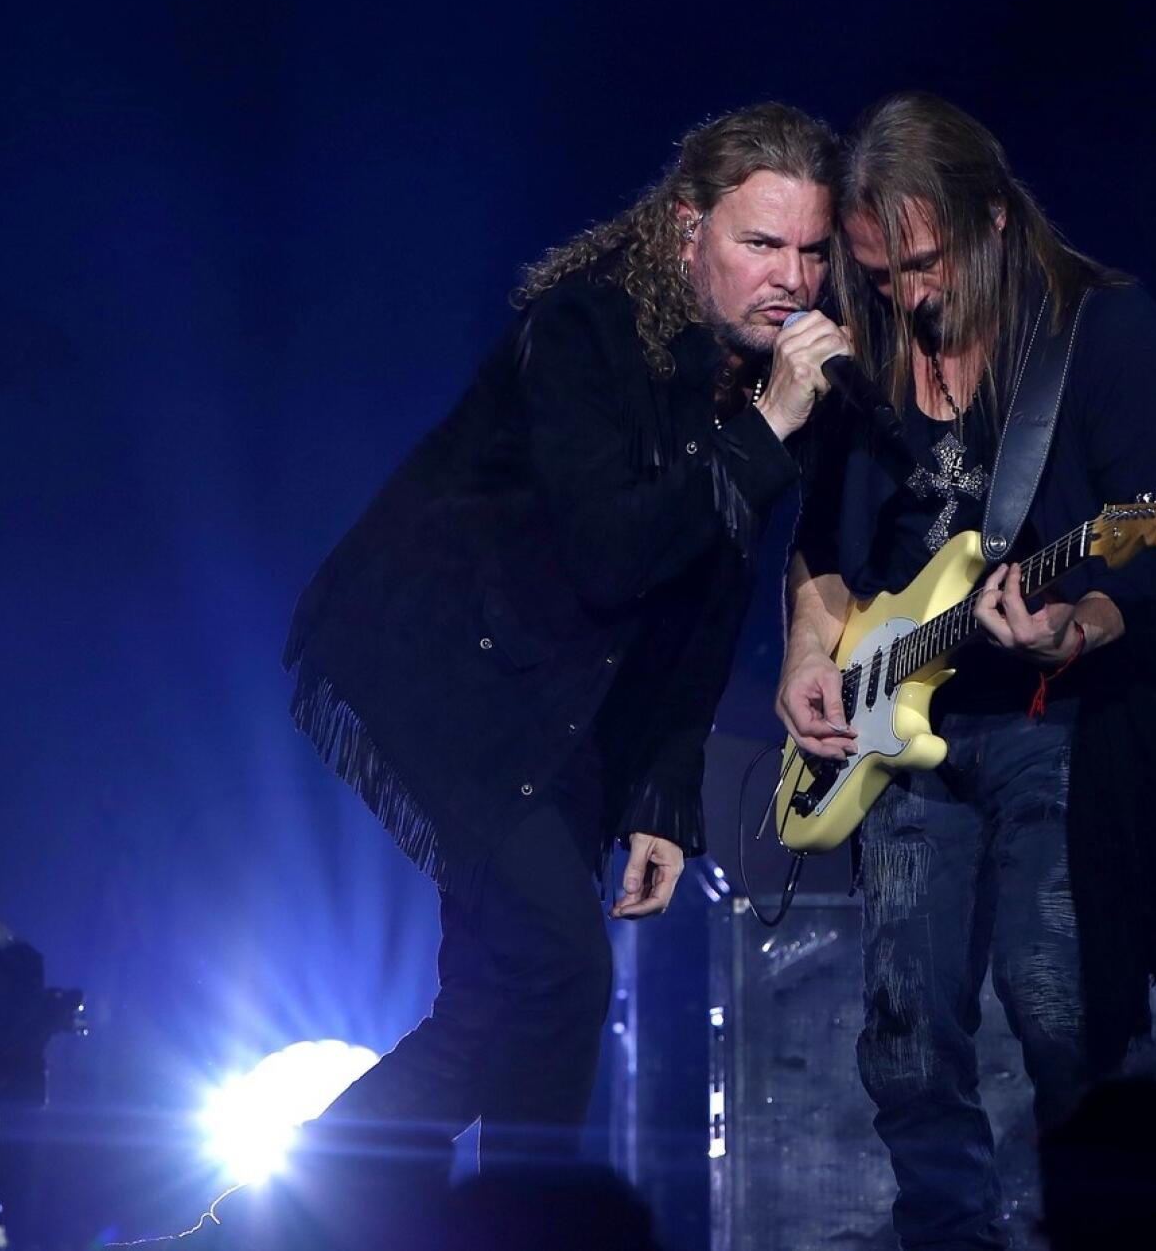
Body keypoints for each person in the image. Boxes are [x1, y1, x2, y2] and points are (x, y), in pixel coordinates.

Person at [275, 102, 843, 1180]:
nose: (792, 279)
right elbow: (612, 557)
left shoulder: (751, 385)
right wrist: (764, 430)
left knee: (497, 1005)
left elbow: (703, 605)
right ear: (687, 234)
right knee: (558, 973)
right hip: (436, 676)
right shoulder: (587, 332)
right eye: (759, 244)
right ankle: (518, 1223)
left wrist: (661, 803)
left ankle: (289, 1223)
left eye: (811, 252)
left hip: (555, 704)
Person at [777, 92, 1156, 1251]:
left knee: (1056, 1011)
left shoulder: (1102, 333)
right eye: (876, 276)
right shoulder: (868, 359)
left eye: (920, 265)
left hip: (1055, 722)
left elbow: (1153, 540)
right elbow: (820, 547)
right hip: (906, 743)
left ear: (995, 220)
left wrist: (1076, 626)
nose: (904, 298)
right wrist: (808, 651)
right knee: (906, 1041)